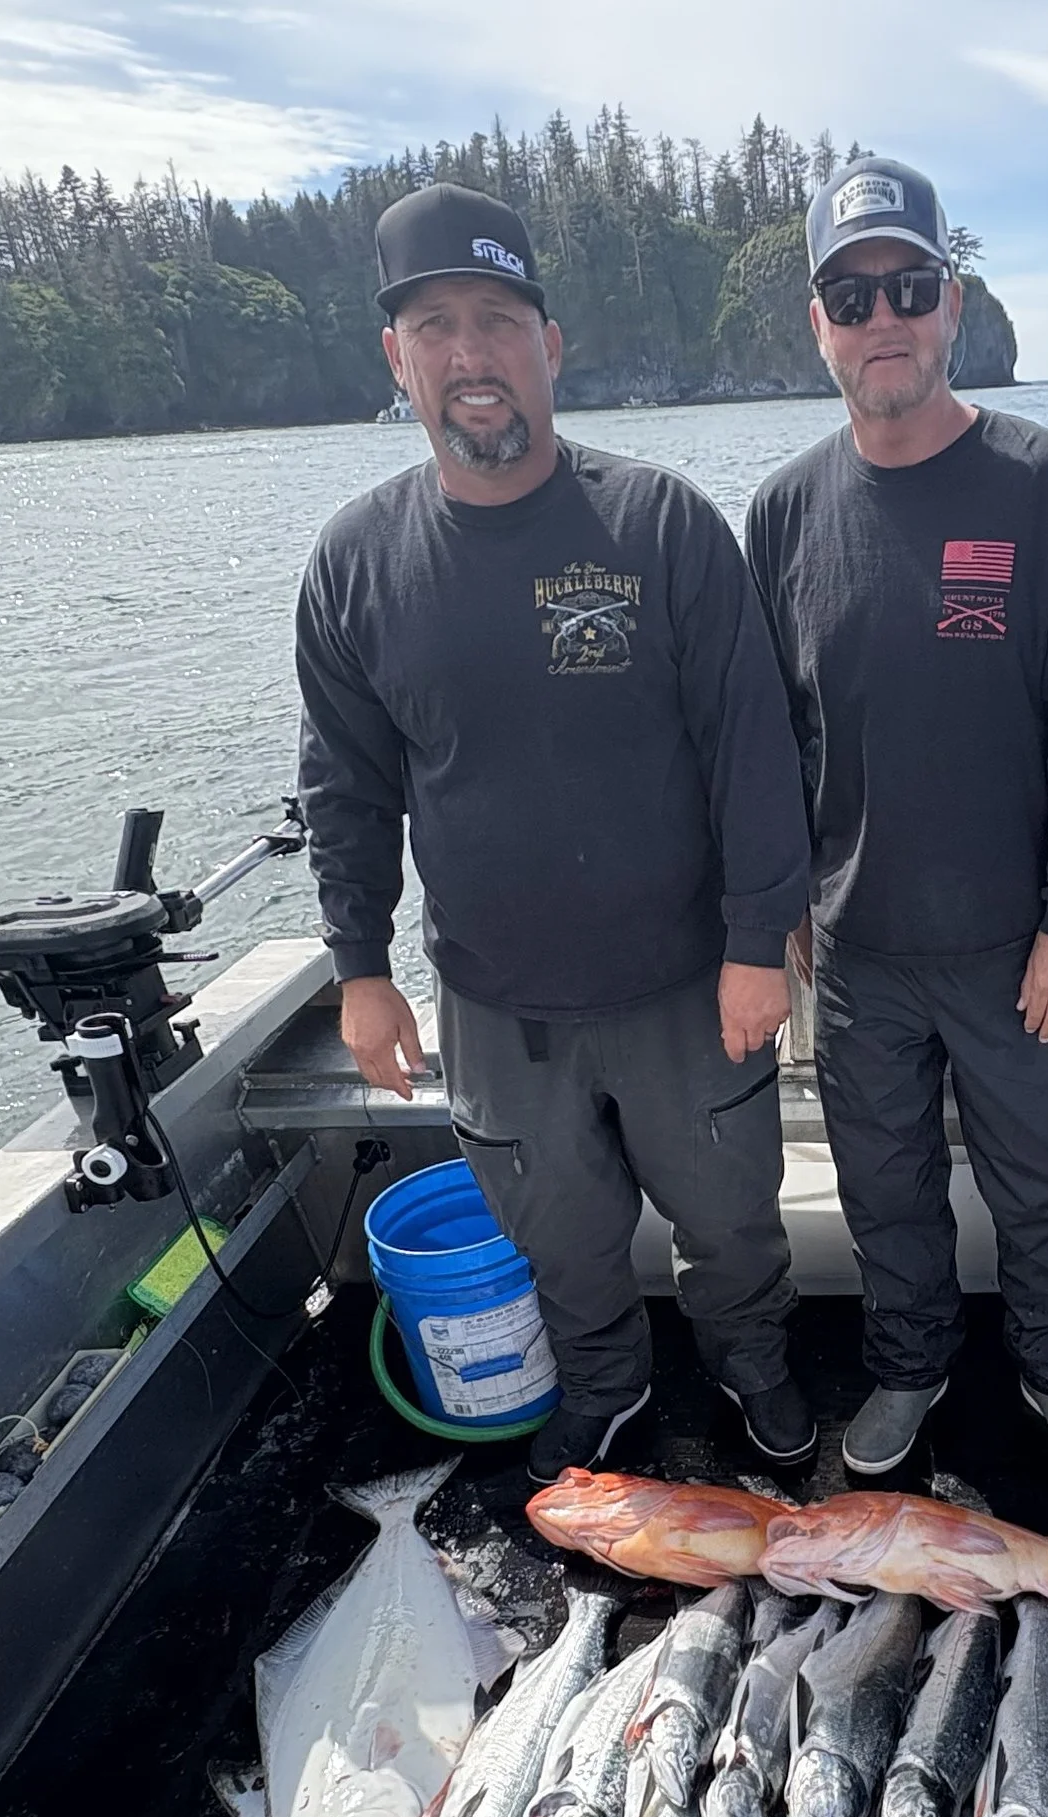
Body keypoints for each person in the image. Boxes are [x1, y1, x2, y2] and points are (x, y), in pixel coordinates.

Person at [294, 182, 814, 1485]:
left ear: (551, 348)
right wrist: (360, 969)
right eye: (437, 325)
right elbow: (345, 786)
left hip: (687, 987)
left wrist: (762, 941)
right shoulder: (354, 563)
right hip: (493, 1004)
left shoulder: (663, 525)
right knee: (561, 1240)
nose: (471, 354)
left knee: (733, 1220)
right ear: (395, 359)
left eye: (497, 319)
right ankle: (611, 1389)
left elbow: (755, 748)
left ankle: (754, 1371)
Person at [746, 155, 1048, 1488]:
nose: (882, 318)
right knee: (885, 1189)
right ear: (819, 323)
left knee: (1045, 1184)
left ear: (952, 302)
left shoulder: (1044, 484)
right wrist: (778, 904)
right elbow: (770, 736)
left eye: (907, 286)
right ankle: (909, 1368)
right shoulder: (785, 510)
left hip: (1015, 945)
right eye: (851, 296)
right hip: (855, 952)